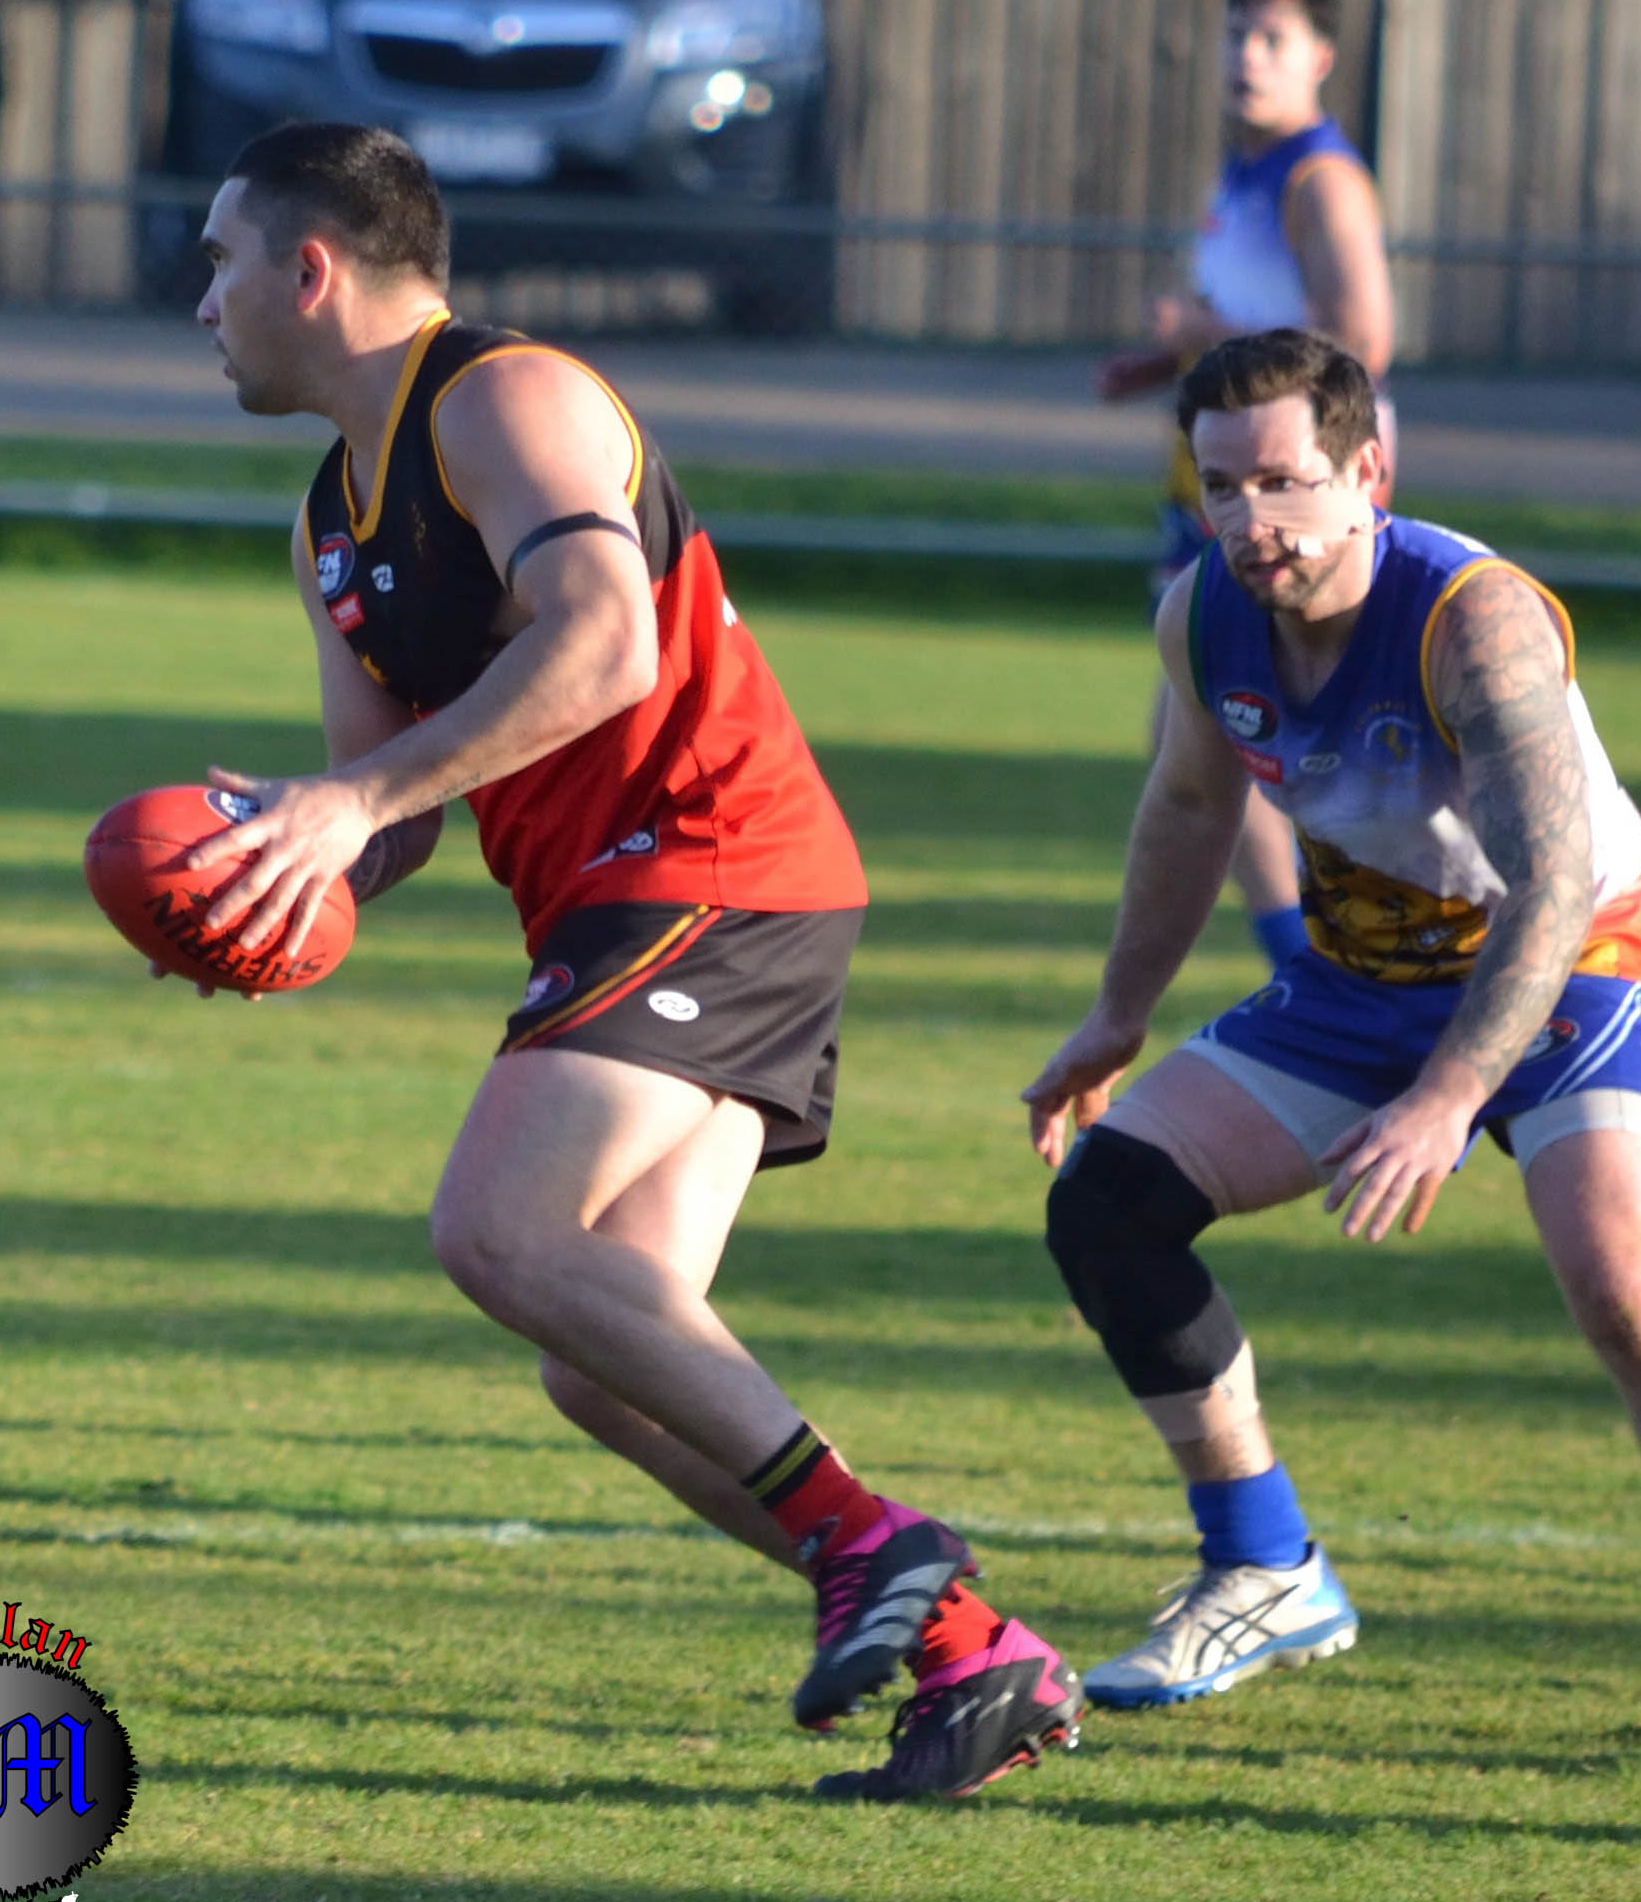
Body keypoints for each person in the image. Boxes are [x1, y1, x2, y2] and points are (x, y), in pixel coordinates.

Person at [167, 119, 1083, 1800]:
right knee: (605, 1362)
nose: (199, 300)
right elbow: (395, 811)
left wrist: (352, 800)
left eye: (218, 261)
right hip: (651, 898)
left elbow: (608, 643)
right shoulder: (327, 525)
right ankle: (974, 1651)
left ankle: (872, 1544)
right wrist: (264, 879)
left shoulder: (503, 399)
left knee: (497, 1229)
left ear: (309, 270)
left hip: (713, 861)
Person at [1023, 327, 1641, 1746]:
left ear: (1367, 475)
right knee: (1107, 1205)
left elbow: (1552, 885)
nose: (1248, 521)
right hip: (1366, 975)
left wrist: (1449, 1091)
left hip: (1569, 959)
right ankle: (1265, 1567)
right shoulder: (1201, 614)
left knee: (1627, 1295)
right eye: (1219, 487)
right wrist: (1114, 1018)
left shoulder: (1475, 623)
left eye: (1281, 482)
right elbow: (1188, 808)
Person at [1098, 0, 1395, 980]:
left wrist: (1203, 333)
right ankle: (1322, 962)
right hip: (1222, 483)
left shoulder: (1320, 180)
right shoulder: (1246, 171)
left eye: (1272, 39)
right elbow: (1262, 330)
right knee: (1208, 725)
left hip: (1291, 490)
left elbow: (1361, 343)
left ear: (1321, 58)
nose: (1247, 57)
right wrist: (1162, 361)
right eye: (1235, 34)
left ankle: (1320, 967)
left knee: (1226, 725)